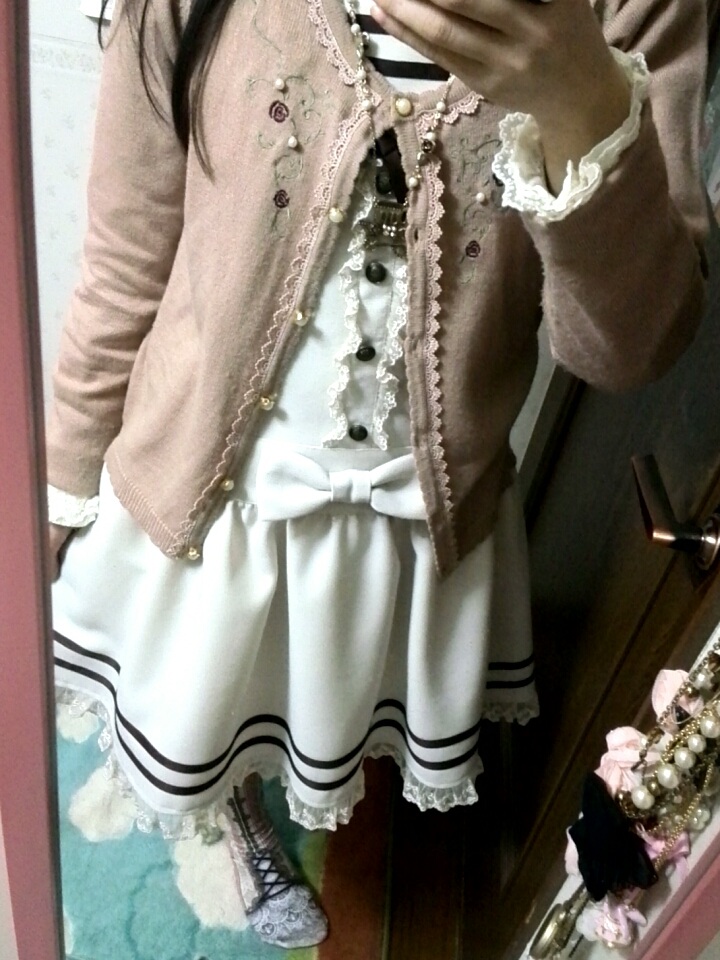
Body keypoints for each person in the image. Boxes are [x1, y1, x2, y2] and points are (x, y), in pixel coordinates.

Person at [46, 0, 708, 948]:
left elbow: (631, 348)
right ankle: (230, 810)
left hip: (417, 527)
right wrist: (60, 480)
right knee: (204, 704)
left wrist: (583, 105)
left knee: (329, 712)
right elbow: (125, 258)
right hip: (204, 499)